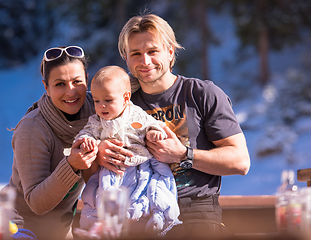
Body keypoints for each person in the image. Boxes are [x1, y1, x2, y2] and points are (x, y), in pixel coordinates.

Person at [97, 13, 251, 238]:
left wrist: (182, 154)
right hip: (137, 215)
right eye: (136, 54)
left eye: (152, 51)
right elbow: (69, 103)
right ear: (126, 57)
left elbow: (240, 162)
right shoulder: (116, 100)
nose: (145, 61)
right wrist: (101, 152)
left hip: (195, 213)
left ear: (170, 52)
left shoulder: (202, 94)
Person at [74, 66, 181, 236]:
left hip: (138, 164)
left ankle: (151, 219)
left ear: (125, 98)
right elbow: (85, 133)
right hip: (112, 168)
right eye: (96, 101)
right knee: (102, 194)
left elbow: (152, 123)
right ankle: (102, 227)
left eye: (108, 100)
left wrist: (154, 132)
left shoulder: (136, 114)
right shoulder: (96, 121)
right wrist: (87, 141)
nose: (102, 106)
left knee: (147, 191)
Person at [6, 46, 98, 240]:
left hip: (61, 232)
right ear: (46, 87)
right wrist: (71, 166)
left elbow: (126, 85)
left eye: (77, 81)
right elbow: (37, 203)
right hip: (18, 230)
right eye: (60, 84)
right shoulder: (33, 128)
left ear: (87, 80)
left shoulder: (98, 110)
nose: (70, 91)